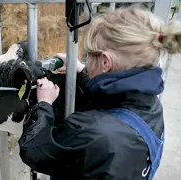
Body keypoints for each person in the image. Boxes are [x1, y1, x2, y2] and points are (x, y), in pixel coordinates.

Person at [18, 6, 181, 180]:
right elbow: (117, 106)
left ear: (105, 62)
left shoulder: (88, 132)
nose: (86, 61)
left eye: (88, 55)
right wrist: (81, 72)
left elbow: (34, 149)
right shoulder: (152, 108)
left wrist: (44, 105)